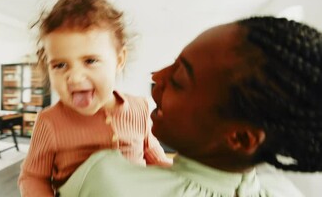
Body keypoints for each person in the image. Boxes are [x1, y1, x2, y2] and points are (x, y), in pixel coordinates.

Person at [58, 16, 322, 197]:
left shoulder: (106, 179)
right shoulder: (285, 191)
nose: (157, 76)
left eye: (179, 79)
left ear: (240, 137)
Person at [18, 0, 171, 197]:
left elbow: (151, 153)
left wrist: (175, 176)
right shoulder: (49, 122)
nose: (74, 77)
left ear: (119, 60)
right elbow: (33, 177)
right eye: (60, 65)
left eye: (90, 61)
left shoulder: (139, 108)